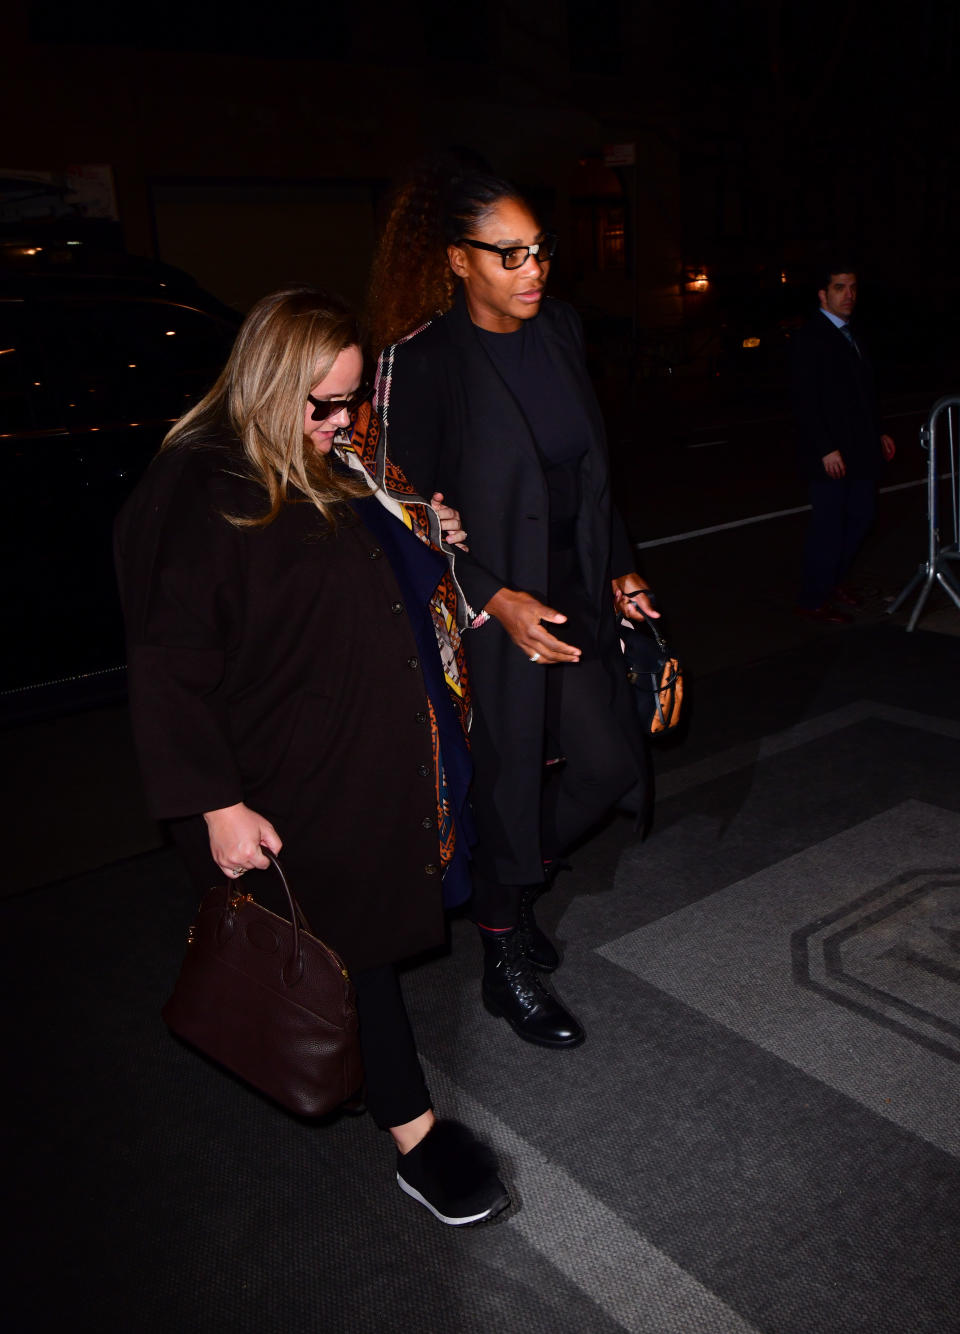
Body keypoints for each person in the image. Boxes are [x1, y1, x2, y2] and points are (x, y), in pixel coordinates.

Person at [114, 287, 509, 1227]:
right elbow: (166, 666)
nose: (342, 422)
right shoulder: (198, 485)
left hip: (354, 755)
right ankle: (414, 1135)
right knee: (350, 953)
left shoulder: (310, 454)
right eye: (322, 403)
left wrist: (429, 536)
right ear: (265, 381)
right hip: (281, 775)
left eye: (353, 400)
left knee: (359, 936)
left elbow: (365, 562)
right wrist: (214, 802)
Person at [366, 165, 658, 1052]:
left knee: (608, 767)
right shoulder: (421, 362)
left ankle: (510, 892)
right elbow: (401, 511)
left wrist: (622, 570)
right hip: (489, 614)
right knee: (504, 779)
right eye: (510, 254)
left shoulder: (562, 330)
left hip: (576, 594)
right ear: (458, 260)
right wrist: (493, 593)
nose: (533, 270)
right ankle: (503, 959)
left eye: (540, 250)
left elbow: (591, 479)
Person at [792, 265, 896, 623]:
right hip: (831, 454)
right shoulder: (811, 338)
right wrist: (825, 448)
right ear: (823, 294)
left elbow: (864, 393)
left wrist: (878, 431)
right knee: (829, 528)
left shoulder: (853, 334)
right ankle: (812, 599)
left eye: (853, 287)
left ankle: (834, 582)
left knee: (862, 517)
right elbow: (805, 400)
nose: (849, 294)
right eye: (840, 288)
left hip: (861, 448)